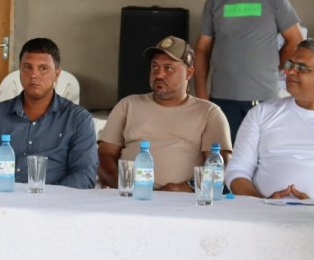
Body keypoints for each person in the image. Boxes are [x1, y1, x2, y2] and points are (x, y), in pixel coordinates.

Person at [193, 0, 302, 141]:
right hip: (223, 97)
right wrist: (201, 94)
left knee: (262, 151)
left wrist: (276, 66)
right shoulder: (215, 1)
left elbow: (295, 40)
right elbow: (202, 49)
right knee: (226, 151)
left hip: (263, 97)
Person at [98, 36, 229, 192]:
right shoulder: (128, 105)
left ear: (189, 73)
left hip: (183, 200)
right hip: (129, 196)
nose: (159, 74)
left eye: (168, 68)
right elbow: (104, 155)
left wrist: (185, 188)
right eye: (155, 66)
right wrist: (123, 185)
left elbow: (220, 167)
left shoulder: (209, 113)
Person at [0, 38, 97, 188]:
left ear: (57, 74)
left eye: (43, 68)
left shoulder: (78, 119)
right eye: (27, 67)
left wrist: (49, 197)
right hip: (3, 197)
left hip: (55, 199)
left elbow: (84, 174)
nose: (34, 74)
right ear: (20, 71)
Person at [227, 38, 314, 199]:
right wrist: (263, 203)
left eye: (301, 67)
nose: (290, 72)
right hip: (261, 211)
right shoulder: (262, 112)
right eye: (289, 65)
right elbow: (237, 171)